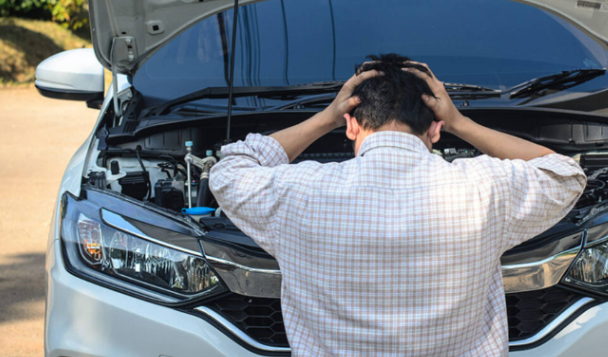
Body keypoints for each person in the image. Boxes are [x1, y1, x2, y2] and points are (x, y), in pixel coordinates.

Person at [210, 54, 587, 357]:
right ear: (436, 128)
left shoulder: (297, 191)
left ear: (351, 125)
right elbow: (564, 173)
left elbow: (229, 171)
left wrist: (323, 118)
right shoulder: (484, 187)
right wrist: (461, 122)